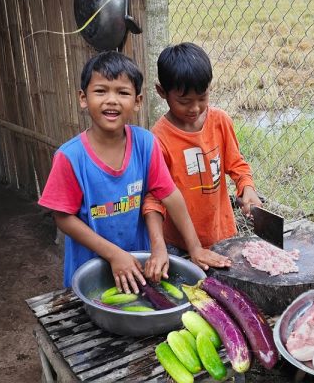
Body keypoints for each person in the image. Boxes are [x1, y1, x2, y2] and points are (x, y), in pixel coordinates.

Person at [38, 51, 229, 293]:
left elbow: (169, 195)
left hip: (140, 263)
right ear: (83, 98)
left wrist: (195, 248)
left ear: (137, 102)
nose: (111, 100)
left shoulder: (145, 144)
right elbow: (63, 217)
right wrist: (114, 254)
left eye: (122, 92)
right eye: (101, 91)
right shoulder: (70, 157)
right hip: (89, 267)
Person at [142, 42, 262, 269]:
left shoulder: (220, 121)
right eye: (184, 101)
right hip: (178, 244)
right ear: (162, 92)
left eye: (202, 98)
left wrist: (247, 188)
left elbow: (237, 165)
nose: (195, 108)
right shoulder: (158, 139)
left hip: (222, 233)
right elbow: (154, 198)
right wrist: (158, 247)